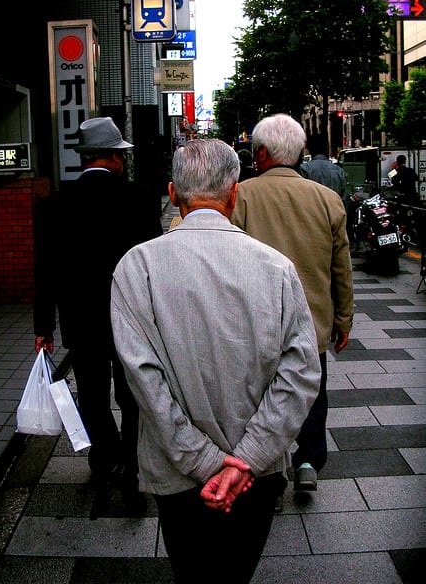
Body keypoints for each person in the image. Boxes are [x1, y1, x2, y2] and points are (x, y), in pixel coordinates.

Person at [110, 138, 321, 583]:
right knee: (237, 573)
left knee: (191, 572)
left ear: (173, 194)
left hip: (177, 471)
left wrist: (205, 461)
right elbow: (301, 372)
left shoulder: (136, 267)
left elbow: (144, 382)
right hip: (256, 473)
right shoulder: (277, 268)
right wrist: (247, 458)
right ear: (235, 192)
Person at [33, 116, 163, 514]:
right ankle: (131, 461)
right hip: (132, 317)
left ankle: (104, 455)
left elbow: (45, 270)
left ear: (84, 158)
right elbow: (155, 263)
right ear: (115, 158)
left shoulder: (55, 204)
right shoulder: (139, 199)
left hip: (80, 318)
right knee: (132, 394)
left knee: (90, 393)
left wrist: (43, 327)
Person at [231, 114, 354, 506]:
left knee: (261, 396)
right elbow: (341, 267)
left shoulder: (241, 195)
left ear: (262, 153)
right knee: (312, 392)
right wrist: (343, 319)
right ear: (300, 151)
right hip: (312, 322)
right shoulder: (326, 198)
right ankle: (307, 463)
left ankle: (267, 464)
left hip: (256, 324)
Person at [300, 134, 348, 207]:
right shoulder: (339, 171)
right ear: (327, 148)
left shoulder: (304, 169)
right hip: (334, 214)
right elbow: (344, 201)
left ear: (309, 149)